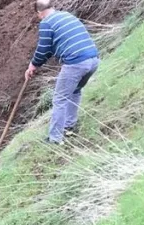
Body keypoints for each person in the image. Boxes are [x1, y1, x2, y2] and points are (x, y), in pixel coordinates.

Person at [25, 0, 99, 144]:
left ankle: (55, 139)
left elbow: (43, 48)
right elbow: (52, 49)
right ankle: (69, 126)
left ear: (39, 13)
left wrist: (33, 65)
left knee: (59, 99)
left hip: (76, 63)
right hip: (93, 59)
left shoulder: (46, 23)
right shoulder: (66, 15)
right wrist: (35, 65)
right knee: (75, 90)